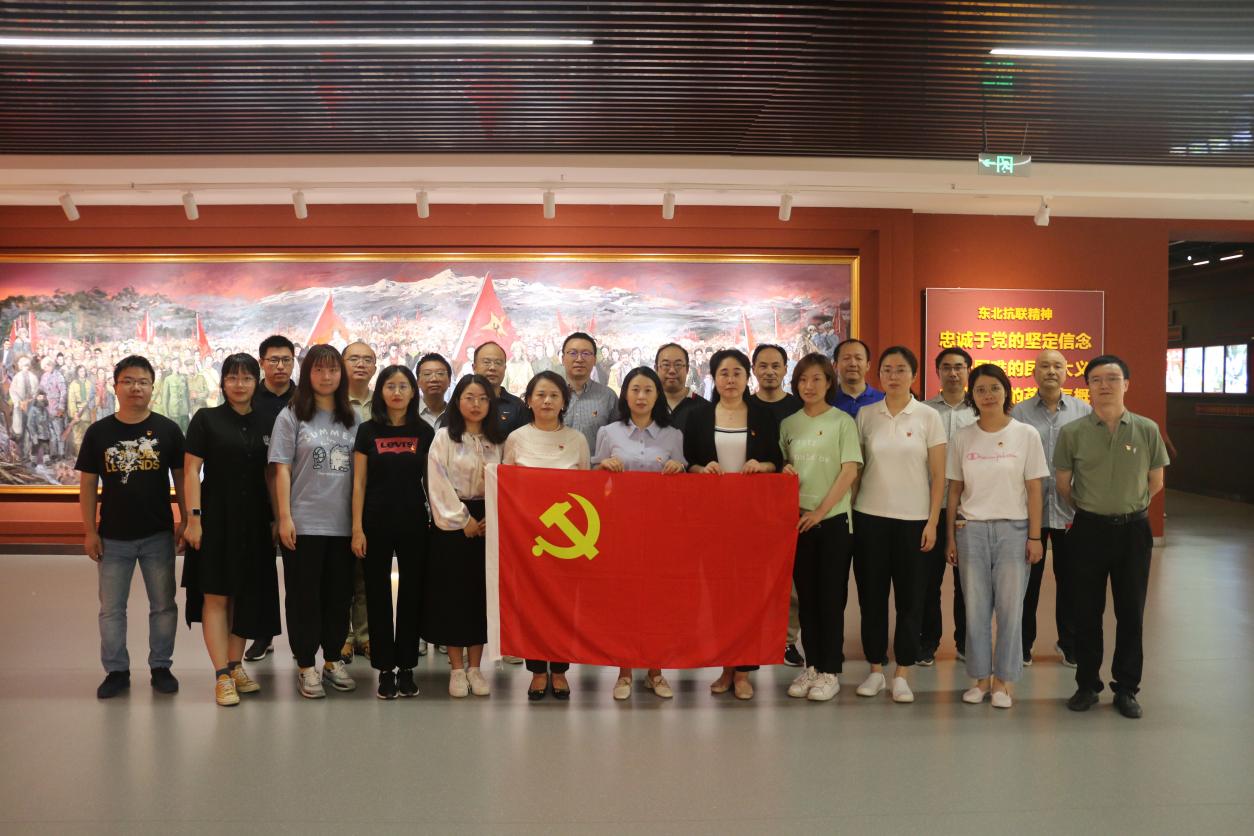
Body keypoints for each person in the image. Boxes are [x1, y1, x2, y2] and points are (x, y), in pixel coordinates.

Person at [1056, 355, 1169, 719]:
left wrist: (1127, 507)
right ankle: (1087, 685)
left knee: (1131, 612)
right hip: (1088, 530)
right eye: (1096, 379)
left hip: (1133, 532)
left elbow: (1156, 481)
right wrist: (1092, 509)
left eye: (1112, 378)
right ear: (1087, 386)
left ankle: (1127, 688)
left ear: (1126, 384)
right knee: (1086, 611)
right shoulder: (1073, 432)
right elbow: (1063, 485)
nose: (1104, 385)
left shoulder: (1147, 429)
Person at [76, 355, 186, 699]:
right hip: (113, 538)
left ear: (152, 387)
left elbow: (182, 480)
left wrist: (186, 519)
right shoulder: (99, 432)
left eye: (142, 381)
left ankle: (161, 667)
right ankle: (116, 671)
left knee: (163, 605)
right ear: (115, 387)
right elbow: (87, 485)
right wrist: (90, 530)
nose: (135, 387)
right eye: (128, 381)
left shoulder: (168, 430)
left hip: (158, 535)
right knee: (111, 609)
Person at [945, 364, 1049, 709]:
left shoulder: (1026, 434)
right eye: (980, 390)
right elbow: (954, 490)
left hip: (1013, 530)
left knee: (1010, 609)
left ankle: (1004, 681)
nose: (988, 395)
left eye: (994, 388)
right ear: (972, 396)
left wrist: (1035, 537)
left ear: (1006, 391)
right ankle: (979, 679)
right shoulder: (963, 437)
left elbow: (1034, 490)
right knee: (974, 608)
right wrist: (950, 537)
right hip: (971, 530)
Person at [683, 348, 783, 700]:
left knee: (748, 595)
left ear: (747, 377)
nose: (730, 379)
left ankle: (743, 672)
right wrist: (700, 469)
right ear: (713, 378)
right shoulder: (698, 416)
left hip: (751, 519)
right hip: (710, 519)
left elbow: (776, 461)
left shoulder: (763, 415)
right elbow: (689, 461)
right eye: (723, 373)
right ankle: (725, 667)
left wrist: (762, 465)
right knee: (718, 596)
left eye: (737, 373)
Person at [181, 353, 280, 706]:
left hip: (255, 519)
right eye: (233, 378)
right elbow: (191, 470)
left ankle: (236, 665)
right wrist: (194, 519)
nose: (240, 384)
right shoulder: (206, 419)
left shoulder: (268, 421)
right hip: (216, 518)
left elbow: (272, 474)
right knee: (216, 595)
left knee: (246, 594)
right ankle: (221, 674)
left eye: (247, 378)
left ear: (256, 382)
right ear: (223, 383)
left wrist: (278, 517)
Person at [852, 346, 945, 704]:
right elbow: (857, 470)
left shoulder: (928, 416)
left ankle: (903, 672)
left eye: (901, 369)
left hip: (914, 522)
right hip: (869, 518)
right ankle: (876, 669)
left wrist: (933, 521)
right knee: (871, 598)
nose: (893, 376)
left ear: (914, 375)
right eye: (887, 369)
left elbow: (938, 476)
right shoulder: (866, 415)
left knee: (911, 600)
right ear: (878, 375)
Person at [268, 344, 361, 699]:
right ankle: (306, 665)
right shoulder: (291, 415)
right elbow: (281, 469)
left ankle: (333, 660)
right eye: (318, 370)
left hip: (343, 525)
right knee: (303, 598)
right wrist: (284, 517)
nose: (326, 376)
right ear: (307, 374)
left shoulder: (353, 418)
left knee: (339, 597)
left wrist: (358, 524)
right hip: (304, 523)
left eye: (333, 370)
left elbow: (362, 476)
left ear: (341, 375)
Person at [593, 367, 686, 700]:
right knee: (623, 601)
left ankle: (656, 671)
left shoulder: (672, 435)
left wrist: (679, 469)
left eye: (648, 390)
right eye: (635, 389)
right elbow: (593, 480)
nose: (642, 396)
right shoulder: (608, 432)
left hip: (661, 532)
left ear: (657, 395)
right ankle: (624, 672)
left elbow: (685, 483)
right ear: (625, 394)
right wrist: (602, 467)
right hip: (620, 530)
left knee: (659, 602)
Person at [504, 371, 591, 700]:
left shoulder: (577, 440)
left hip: (567, 541)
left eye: (554, 395)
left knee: (565, 606)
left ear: (564, 402)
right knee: (532, 606)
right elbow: (507, 487)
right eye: (540, 395)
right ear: (528, 400)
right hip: (528, 539)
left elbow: (586, 491)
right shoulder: (516, 439)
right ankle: (538, 671)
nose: (547, 401)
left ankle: (561, 670)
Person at [780, 353, 862, 702]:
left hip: (833, 521)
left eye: (816, 379)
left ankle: (830, 670)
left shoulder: (842, 422)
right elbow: (784, 465)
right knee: (807, 599)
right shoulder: (789, 424)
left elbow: (849, 471)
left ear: (829, 382)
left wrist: (820, 511)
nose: (809, 386)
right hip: (798, 522)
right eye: (802, 379)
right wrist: (783, 470)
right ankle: (811, 665)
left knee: (830, 598)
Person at [351, 365, 436, 699]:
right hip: (374, 522)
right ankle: (385, 669)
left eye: (403, 386)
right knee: (377, 594)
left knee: (412, 593)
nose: (397, 392)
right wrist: (357, 528)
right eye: (390, 386)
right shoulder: (367, 431)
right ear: (381, 391)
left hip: (414, 521)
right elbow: (359, 483)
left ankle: (407, 667)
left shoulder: (424, 432)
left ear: (413, 392)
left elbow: (432, 482)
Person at [424, 374, 505, 698]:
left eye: (483, 398)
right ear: (457, 401)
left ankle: (476, 667)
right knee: (453, 596)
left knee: (480, 597)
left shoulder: (498, 441)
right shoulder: (444, 437)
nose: (476, 404)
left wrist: (492, 519)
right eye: (469, 397)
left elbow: (507, 483)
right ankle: (456, 668)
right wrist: (464, 520)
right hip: (452, 524)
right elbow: (437, 482)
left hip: (490, 521)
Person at [1011, 349, 1092, 668]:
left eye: (1057, 366)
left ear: (1067, 372)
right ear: (1034, 372)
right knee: (1026, 583)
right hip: (1029, 511)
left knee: (1071, 582)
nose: (1051, 371)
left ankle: (1069, 643)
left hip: (1070, 510)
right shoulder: (1019, 412)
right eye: (1044, 365)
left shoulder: (1083, 411)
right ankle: (1023, 644)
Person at [919, 347, 978, 665]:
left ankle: (966, 642)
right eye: (946, 367)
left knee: (967, 581)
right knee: (928, 581)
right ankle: (927, 641)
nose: (953, 373)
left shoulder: (980, 411)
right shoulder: (924, 411)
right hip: (931, 508)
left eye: (959, 367)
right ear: (937, 372)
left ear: (968, 370)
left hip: (970, 508)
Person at [243, 334, 298, 663]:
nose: (280, 366)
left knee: (297, 575)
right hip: (256, 496)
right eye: (273, 360)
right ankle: (263, 635)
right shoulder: (250, 398)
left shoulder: (304, 399)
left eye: (286, 360)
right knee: (259, 571)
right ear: (262, 363)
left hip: (296, 499)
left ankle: (301, 642)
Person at [750, 343, 805, 665]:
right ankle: (750, 641)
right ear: (754, 370)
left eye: (776, 366)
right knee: (752, 577)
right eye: (763, 366)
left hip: (791, 506)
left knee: (790, 579)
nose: (769, 372)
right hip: (750, 508)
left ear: (786, 369)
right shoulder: (742, 406)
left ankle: (787, 641)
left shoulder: (799, 408)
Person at [341, 341, 377, 664]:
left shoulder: (382, 403)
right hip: (337, 494)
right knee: (341, 572)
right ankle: (343, 636)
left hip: (373, 495)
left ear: (375, 367)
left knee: (366, 571)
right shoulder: (332, 402)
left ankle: (365, 634)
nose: (361, 364)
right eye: (354, 358)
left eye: (367, 359)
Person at [560, 332, 618, 452]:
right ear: (563, 359)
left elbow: (617, 441)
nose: (579, 359)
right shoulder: (550, 396)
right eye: (573, 353)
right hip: (557, 463)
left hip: (595, 464)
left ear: (594, 360)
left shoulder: (608, 397)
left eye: (586, 353)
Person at [474, 341, 528, 434]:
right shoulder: (462, 402)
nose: (492, 367)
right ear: (474, 367)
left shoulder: (517, 406)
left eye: (498, 363)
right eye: (486, 362)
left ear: (505, 368)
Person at [655, 343, 708, 433]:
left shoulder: (705, 409)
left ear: (687, 369)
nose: (672, 371)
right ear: (656, 369)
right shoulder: (646, 406)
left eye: (678, 365)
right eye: (666, 365)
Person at [832, 339, 885, 418]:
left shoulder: (883, 400)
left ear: (868, 365)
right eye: (846, 358)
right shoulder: (826, 401)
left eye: (858, 358)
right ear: (835, 366)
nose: (853, 364)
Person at [415, 353, 452, 428]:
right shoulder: (408, 413)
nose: (434, 379)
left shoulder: (457, 414)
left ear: (449, 381)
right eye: (427, 374)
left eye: (440, 373)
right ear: (418, 382)